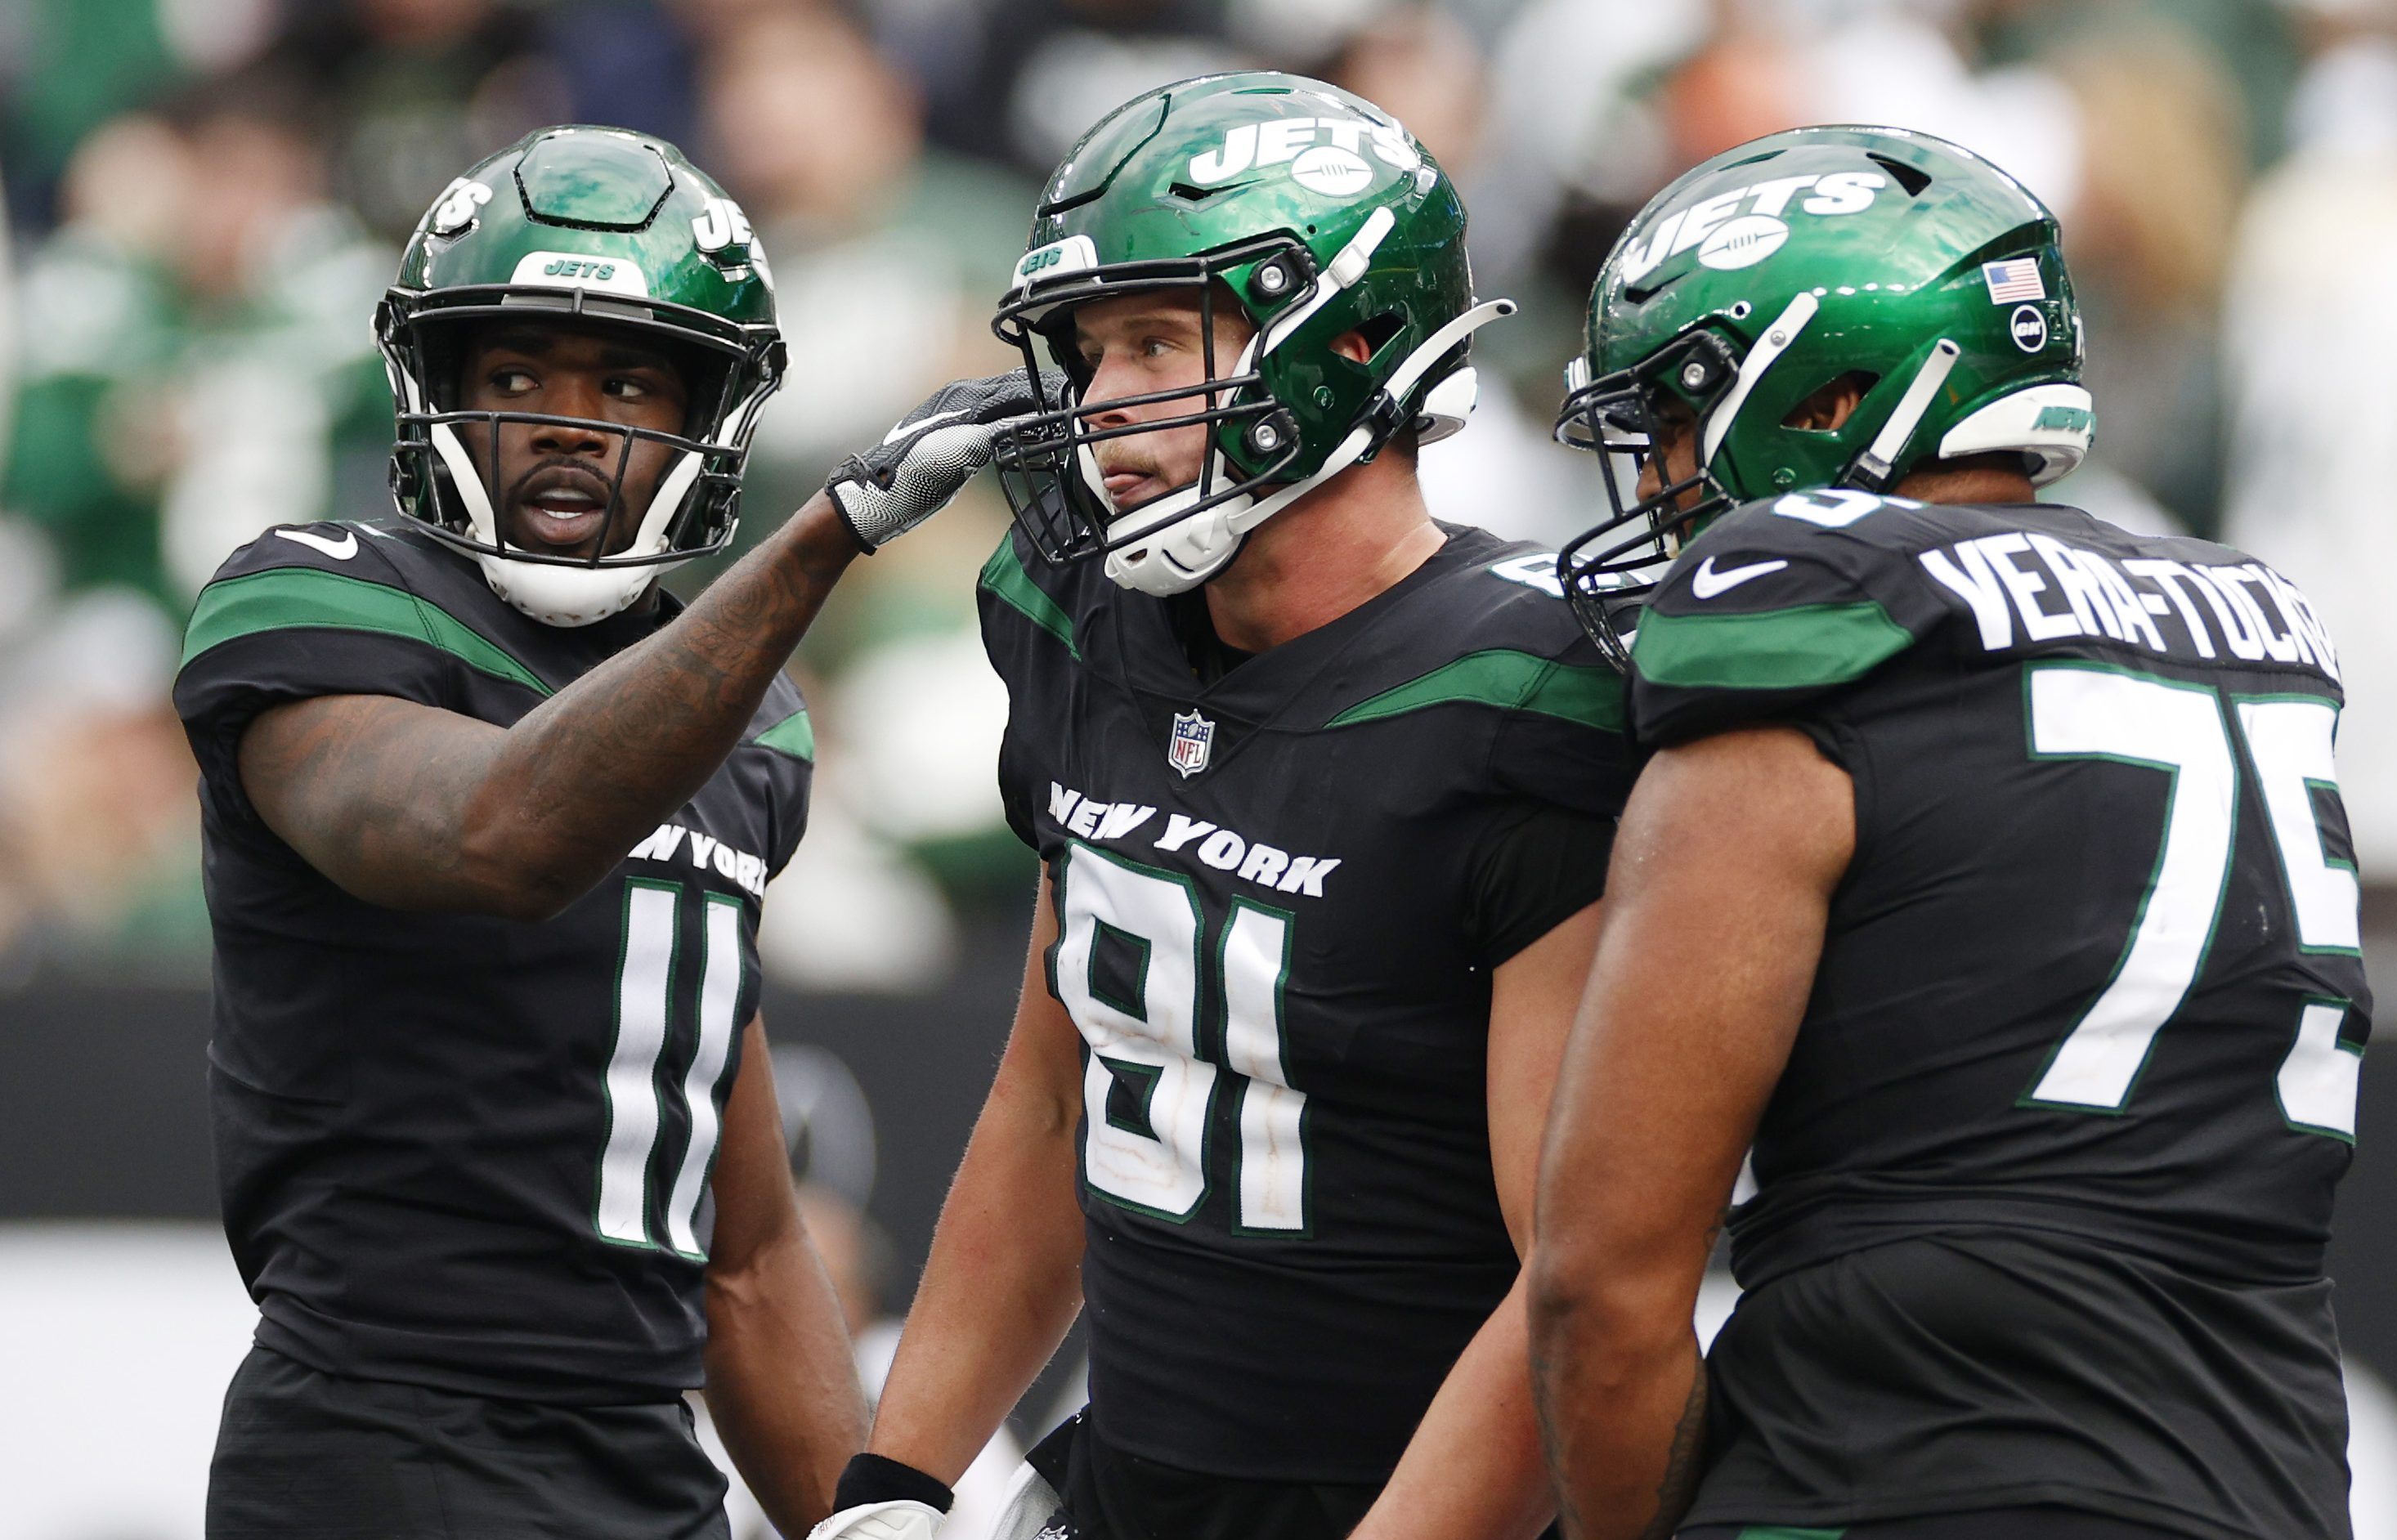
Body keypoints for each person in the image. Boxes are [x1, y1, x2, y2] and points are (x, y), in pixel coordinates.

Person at [175, 124, 1049, 1539]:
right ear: (436, 388)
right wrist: (827, 535)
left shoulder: (743, 725)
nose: (571, 421)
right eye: (517, 374)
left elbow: (749, 1255)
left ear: (711, 412)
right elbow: (502, 833)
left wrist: (863, 1518)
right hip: (377, 1441)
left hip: (644, 1470)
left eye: (630, 381)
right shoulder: (315, 603)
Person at [806, 72, 1633, 1540]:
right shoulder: (1085, 625)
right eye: (1085, 349)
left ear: (1351, 339)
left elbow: (1565, 1279)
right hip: (1129, 1477)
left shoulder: (1524, 695)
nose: (1103, 398)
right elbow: (1056, 1093)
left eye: (1156, 341)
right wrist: (899, 1477)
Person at [1527, 125, 2367, 1540]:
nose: (1660, 475)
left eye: (1676, 414)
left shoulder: (1809, 600)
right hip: (2260, 1470)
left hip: (1903, 1457)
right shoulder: (2246, 614)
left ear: (1832, 389)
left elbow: (1600, 1290)